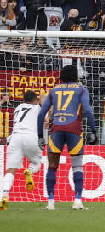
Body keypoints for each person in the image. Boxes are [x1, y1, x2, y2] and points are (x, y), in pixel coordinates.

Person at [37, 65, 97, 210]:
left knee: (52, 166)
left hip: (56, 129)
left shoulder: (54, 90)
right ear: (76, 76)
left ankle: (51, 202)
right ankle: (77, 201)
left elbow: (41, 113)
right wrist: (93, 130)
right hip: (74, 129)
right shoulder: (82, 89)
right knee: (77, 165)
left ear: (61, 77)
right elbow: (88, 110)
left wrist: (40, 136)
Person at [0, 91, 42, 210]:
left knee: (10, 170)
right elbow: (46, 117)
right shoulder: (37, 108)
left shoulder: (18, 108)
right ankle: (29, 171)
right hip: (30, 137)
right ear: (35, 100)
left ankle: (4, 196)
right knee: (37, 162)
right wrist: (41, 100)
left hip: (15, 138)